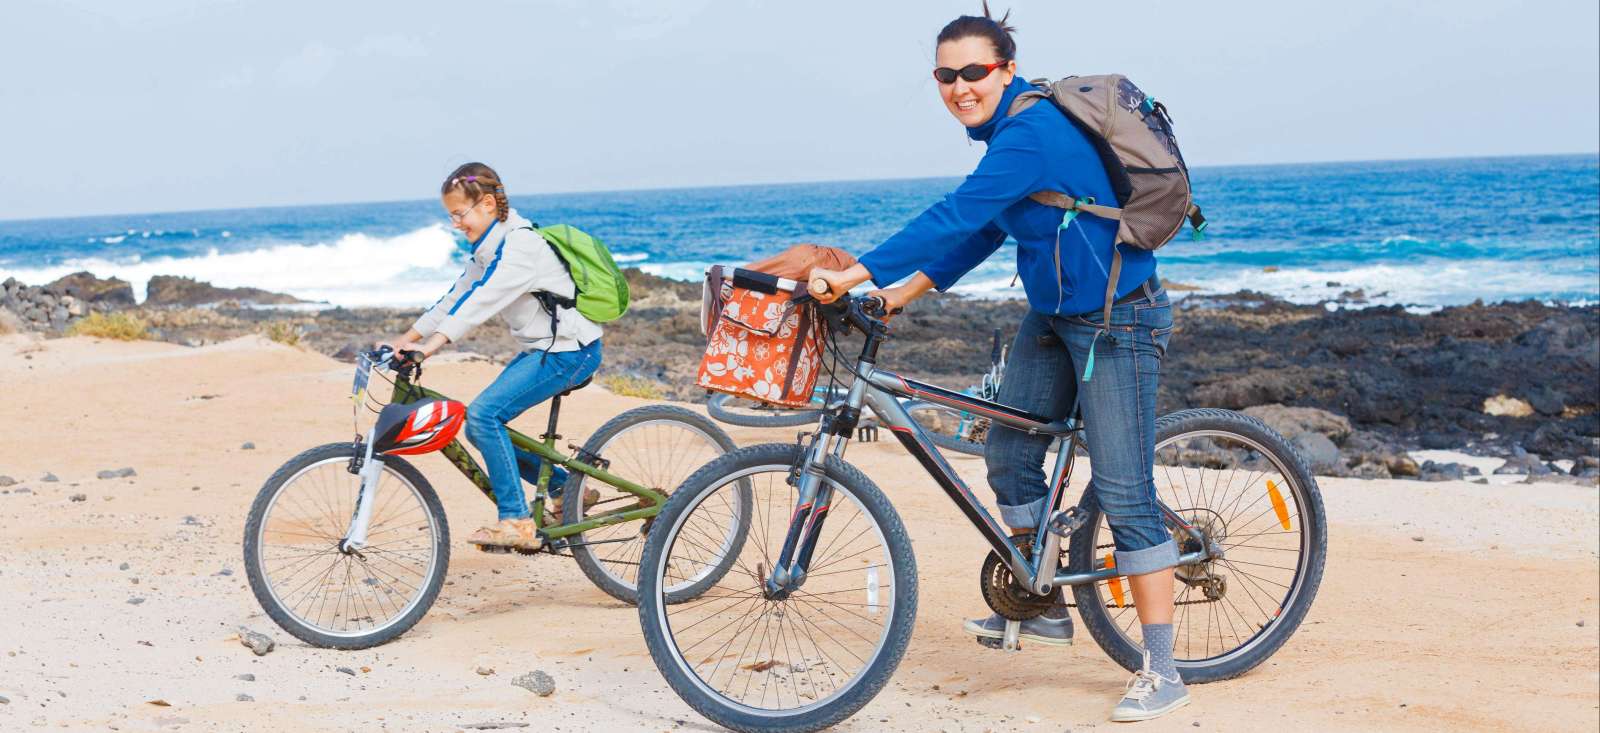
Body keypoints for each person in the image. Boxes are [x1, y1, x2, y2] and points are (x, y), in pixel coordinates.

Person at [808, 5, 1187, 723]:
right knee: (1010, 451)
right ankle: (1041, 601)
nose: (959, 86)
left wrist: (855, 274)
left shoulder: (1032, 130)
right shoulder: (1008, 137)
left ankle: (1162, 668)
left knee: (1125, 490)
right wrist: (903, 293)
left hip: (1119, 317)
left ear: (1005, 69)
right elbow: (984, 228)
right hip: (1056, 313)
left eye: (974, 71)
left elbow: (954, 213)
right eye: (945, 75)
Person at [389, 162, 603, 552]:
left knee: (485, 416)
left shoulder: (520, 247)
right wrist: (406, 340)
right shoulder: (488, 248)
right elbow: (456, 297)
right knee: (479, 424)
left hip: (570, 353)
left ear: (487, 203)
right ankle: (565, 488)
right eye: (451, 215)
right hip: (546, 349)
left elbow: (480, 304)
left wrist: (431, 347)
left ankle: (517, 522)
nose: (456, 223)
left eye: (459, 213)